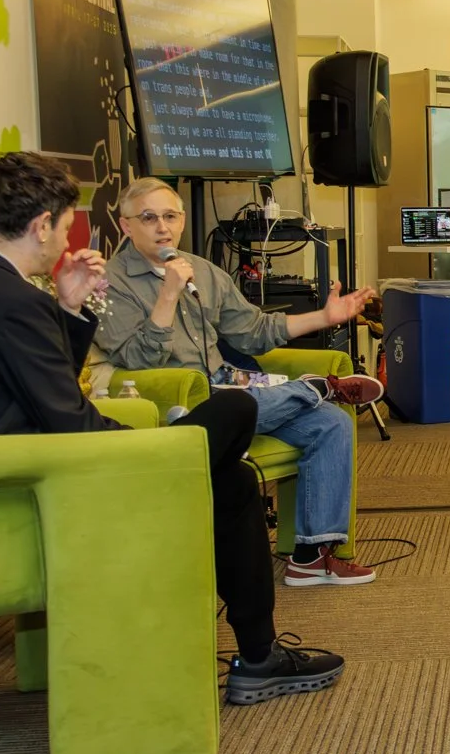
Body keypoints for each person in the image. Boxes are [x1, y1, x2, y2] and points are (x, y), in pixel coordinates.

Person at [0, 153, 344, 704]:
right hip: (59, 477)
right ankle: (259, 658)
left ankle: (259, 658)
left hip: (40, 457)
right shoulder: (9, 301)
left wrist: (68, 309)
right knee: (235, 413)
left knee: (234, 479)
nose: (65, 239)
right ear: (41, 225)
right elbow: (67, 420)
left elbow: (45, 390)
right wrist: (143, 443)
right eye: (64, 226)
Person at [96, 178, 381, 587]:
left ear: (181, 221)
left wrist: (325, 317)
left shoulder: (203, 271)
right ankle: (317, 388)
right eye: (148, 217)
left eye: (170, 216)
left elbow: (253, 332)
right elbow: (139, 361)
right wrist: (168, 294)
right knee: (243, 404)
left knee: (330, 423)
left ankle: (311, 556)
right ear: (126, 226)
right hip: (171, 401)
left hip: (225, 387)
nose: (162, 226)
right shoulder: (110, 282)